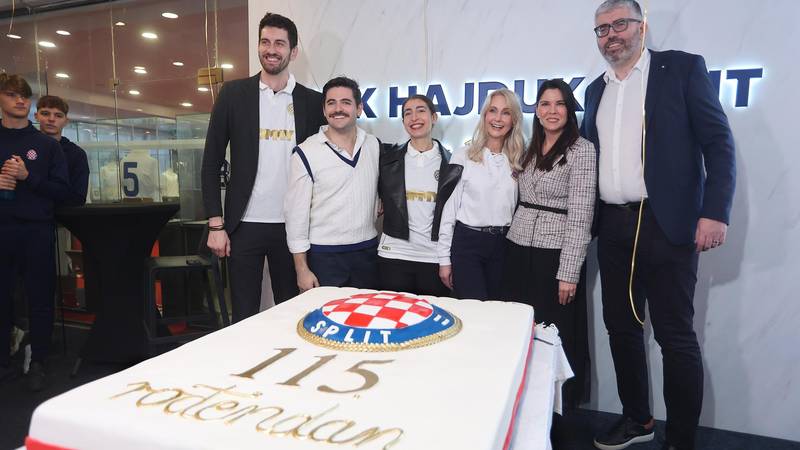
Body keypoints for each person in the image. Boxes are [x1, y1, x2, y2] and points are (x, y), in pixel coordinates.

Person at [581, 1, 736, 449]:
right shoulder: (594, 91)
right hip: (612, 225)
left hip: (667, 225)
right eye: (602, 29)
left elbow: (718, 143)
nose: (611, 35)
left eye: (620, 24)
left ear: (642, 27)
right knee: (622, 328)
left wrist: (715, 212)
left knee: (675, 336)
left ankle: (681, 439)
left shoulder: (682, 70)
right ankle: (637, 420)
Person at [201, 12, 325, 322]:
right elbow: (211, 161)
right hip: (243, 225)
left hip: (293, 226)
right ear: (258, 46)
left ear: (293, 52)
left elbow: (330, 160)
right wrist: (216, 225)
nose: (272, 49)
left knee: (290, 313)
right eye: (265, 42)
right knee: (243, 314)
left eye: (280, 43)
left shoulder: (312, 102)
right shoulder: (233, 94)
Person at [504, 79, 596, 413]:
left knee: (554, 336)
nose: (551, 111)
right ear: (537, 110)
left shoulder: (581, 150)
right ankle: (522, 405)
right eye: (545, 104)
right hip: (517, 248)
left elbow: (582, 215)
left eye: (559, 104)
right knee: (522, 330)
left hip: (555, 256)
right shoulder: (530, 147)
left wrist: (569, 273)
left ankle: (557, 411)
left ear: (569, 110)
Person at [0, 73, 69, 391]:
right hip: (2, 230)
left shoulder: (45, 146)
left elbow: (63, 192)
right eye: (12, 94)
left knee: (40, 299)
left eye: (24, 96)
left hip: (37, 231)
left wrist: (29, 176)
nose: (20, 100)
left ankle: (38, 360)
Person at [285, 76, 381, 291]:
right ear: (324, 109)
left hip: (367, 253)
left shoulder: (373, 145)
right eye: (331, 103)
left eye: (346, 102)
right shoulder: (305, 152)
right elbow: (295, 216)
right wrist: (302, 269)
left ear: (359, 108)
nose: (338, 109)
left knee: (365, 321)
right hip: (324, 257)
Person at [437, 88, 525, 300]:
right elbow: (448, 210)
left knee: (497, 313)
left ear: (513, 119)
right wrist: (443, 260)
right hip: (467, 244)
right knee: (474, 311)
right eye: (492, 110)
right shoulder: (463, 155)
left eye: (505, 112)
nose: (497, 118)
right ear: (484, 115)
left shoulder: (520, 159)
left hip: (504, 246)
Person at [377, 94, 461, 296]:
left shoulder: (454, 164)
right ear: (403, 121)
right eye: (408, 113)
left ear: (434, 117)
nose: (414, 117)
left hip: (433, 258)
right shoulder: (387, 160)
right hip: (393, 254)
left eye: (421, 110)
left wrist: (446, 259)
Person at [35, 95, 89, 206]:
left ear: (66, 121)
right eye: (45, 114)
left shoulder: (76, 154)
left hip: (62, 218)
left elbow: (78, 198)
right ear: (36, 116)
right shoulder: (26, 147)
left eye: (58, 115)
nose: (51, 119)